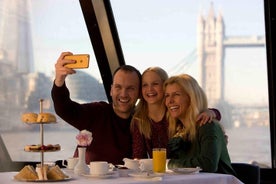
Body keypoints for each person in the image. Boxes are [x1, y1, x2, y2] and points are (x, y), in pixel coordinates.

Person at [51, 52, 141, 165]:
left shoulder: (143, 124)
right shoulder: (97, 112)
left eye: (130, 88)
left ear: (139, 93)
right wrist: (59, 80)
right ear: (111, 90)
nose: (123, 94)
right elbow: (64, 109)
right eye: (118, 87)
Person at [130, 67, 222, 159]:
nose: (150, 89)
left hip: (183, 168)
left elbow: (198, 113)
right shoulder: (140, 119)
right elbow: (138, 156)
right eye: (144, 85)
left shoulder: (174, 111)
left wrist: (212, 112)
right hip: (162, 170)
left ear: (165, 86)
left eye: (155, 84)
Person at [164, 74, 236, 175]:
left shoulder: (208, 126)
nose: (170, 101)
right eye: (167, 95)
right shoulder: (179, 130)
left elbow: (208, 164)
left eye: (176, 94)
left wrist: (169, 164)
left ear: (191, 97)